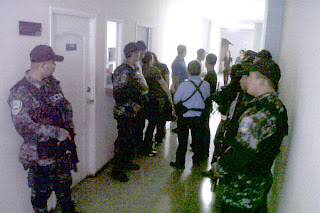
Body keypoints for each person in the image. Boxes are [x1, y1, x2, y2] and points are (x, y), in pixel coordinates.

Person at [8, 45, 79, 213]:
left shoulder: (51, 83)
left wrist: (68, 125)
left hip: (61, 150)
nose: (54, 66)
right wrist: (56, 132)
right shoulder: (20, 91)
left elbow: (64, 104)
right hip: (41, 155)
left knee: (64, 188)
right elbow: (23, 126)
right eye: (53, 63)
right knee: (41, 196)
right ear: (43, 65)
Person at [216, 59, 288, 212]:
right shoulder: (277, 106)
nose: (246, 80)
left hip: (242, 190)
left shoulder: (258, 113)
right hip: (258, 184)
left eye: (250, 76)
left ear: (262, 80)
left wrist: (218, 168)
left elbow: (241, 152)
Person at [111, 42, 144, 182]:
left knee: (129, 139)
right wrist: (132, 105)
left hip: (132, 111)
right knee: (123, 140)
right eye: (137, 52)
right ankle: (117, 170)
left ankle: (126, 163)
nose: (139, 55)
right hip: (124, 111)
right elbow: (118, 93)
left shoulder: (133, 68)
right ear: (130, 53)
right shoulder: (122, 70)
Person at [170, 60, 210, 169]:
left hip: (184, 117)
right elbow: (207, 98)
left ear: (188, 71)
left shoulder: (184, 85)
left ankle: (180, 163)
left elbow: (176, 100)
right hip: (199, 117)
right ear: (200, 71)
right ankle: (197, 161)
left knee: (182, 141)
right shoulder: (206, 84)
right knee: (197, 140)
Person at [142, 52, 173, 151]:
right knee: (155, 122)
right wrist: (169, 98)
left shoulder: (140, 70)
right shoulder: (154, 70)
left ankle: (145, 144)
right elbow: (163, 84)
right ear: (151, 59)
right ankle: (149, 145)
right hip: (156, 99)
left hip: (146, 99)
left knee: (149, 123)